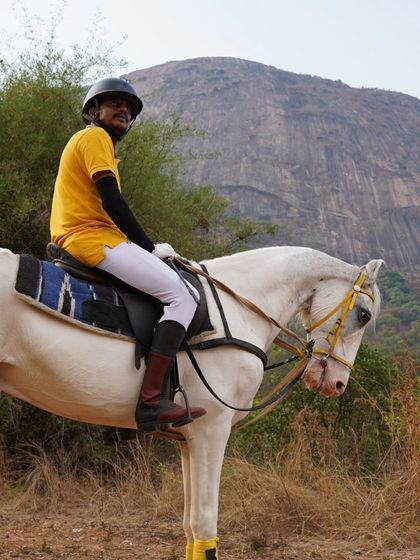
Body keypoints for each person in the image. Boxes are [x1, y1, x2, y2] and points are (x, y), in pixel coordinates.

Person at [50, 77, 206, 428]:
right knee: (184, 297)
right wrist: (150, 250)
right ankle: (151, 401)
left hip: (93, 235)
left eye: (129, 108)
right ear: (93, 111)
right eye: (115, 103)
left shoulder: (97, 143)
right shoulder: (94, 137)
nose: (124, 109)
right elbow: (113, 200)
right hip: (91, 238)